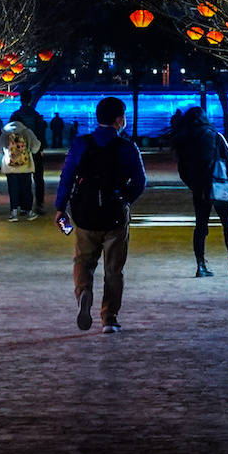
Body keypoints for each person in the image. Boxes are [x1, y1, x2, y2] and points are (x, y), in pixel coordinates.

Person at [54, 96, 147, 333]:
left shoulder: (81, 143)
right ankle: (109, 317)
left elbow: (66, 178)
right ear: (118, 120)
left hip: (84, 213)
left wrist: (60, 207)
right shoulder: (127, 147)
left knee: (83, 260)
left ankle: (84, 291)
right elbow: (140, 182)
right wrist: (125, 200)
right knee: (114, 269)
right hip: (114, 214)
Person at [168, 105, 228, 277]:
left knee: (201, 226)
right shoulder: (215, 135)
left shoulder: (185, 140)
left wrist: (194, 184)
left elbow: (182, 169)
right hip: (221, 187)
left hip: (200, 188)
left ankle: (201, 265)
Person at [0, 115, 43, 219]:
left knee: (13, 188)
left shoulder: (5, 132)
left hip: (10, 166)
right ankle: (29, 212)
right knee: (26, 188)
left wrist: (7, 153)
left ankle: (13, 213)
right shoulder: (27, 132)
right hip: (25, 165)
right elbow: (36, 146)